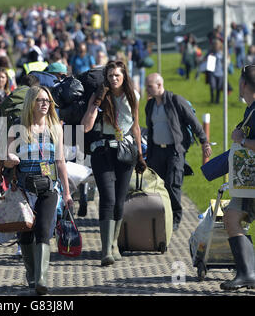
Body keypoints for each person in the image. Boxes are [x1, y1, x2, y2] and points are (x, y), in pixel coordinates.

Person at [5, 85, 73, 295]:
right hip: (25, 189)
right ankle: (32, 275)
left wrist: (68, 192)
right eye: (40, 100)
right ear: (31, 103)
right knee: (25, 234)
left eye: (47, 100)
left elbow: (60, 161)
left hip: (48, 187)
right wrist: (10, 159)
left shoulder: (55, 127)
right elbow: (5, 160)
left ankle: (42, 279)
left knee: (43, 230)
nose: (45, 104)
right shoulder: (18, 127)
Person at [81, 60, 146, 266]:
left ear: (124, 76)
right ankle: (105, 249)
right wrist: (96, 102)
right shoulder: (100, 95)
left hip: (126, 152)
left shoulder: (133, 96)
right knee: (107, 198)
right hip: (102, 151)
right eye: (110, 76)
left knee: (119, 200)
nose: (114, 79)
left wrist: (141, 155)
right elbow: (85, 126)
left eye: (117, 75)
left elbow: (136, 126)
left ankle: (114, 244)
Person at [144, 73, 212, 231]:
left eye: (149, 86)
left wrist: (204, 142)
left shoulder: (176, 101)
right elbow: (151, 128)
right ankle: (161, 215)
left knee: (173, 184)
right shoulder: (150, 105)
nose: (147, 89)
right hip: (156, 152)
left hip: (174, 151)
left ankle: (175, 218)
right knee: (157, 186)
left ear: (159, 85)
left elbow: (194, 122)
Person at [221, 64, 255, 291]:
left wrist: (241, 141)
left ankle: (248, 273)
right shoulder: (250, 110)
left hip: (251, 182)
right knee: (232, 216)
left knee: (232, 217)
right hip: (248, 182)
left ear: (243, 85)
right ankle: (247, 273)